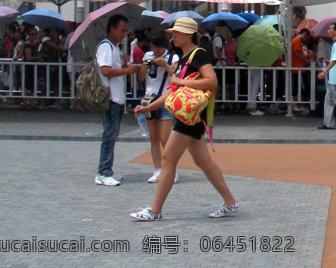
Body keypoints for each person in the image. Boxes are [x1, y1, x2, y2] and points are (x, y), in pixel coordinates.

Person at [130, 17, 239, 221]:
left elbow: (211, 81)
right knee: (203, 162)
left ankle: (155, 210)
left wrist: (179, 80)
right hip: (190, 117)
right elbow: (174, 91)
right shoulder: (183, 58)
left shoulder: (199, 55)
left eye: (176, 33)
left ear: (188, 34)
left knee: (168, 159)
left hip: (189, 118)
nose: (173, 36)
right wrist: (149, 107)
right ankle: (230, 202)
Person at [95, 14, 137, 186]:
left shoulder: (115, 48)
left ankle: (107, 170)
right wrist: (126, 71)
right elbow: (105, 71)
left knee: (112, 135)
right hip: (111, 97)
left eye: (126, 31)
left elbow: (115, 70)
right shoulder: (105, 47)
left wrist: (125, 65)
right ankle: (103, 172)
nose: (124, 34)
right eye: (122, 30)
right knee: (109, 135)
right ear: (112, 29)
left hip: (118, 97)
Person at [138, 31, 176, 182]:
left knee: (165, 138)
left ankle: (171, 170)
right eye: (153, 48)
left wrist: (164, 65)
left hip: (166, 99)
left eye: (158, 49)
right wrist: (146, 65)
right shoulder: (148, 56)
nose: (156, 52)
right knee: (154, 138)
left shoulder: (173, 57)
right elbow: (141, 77)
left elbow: (175, 76)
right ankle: (158, 169)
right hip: (149, 99)